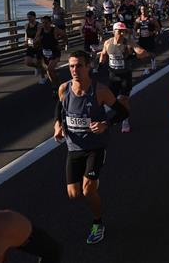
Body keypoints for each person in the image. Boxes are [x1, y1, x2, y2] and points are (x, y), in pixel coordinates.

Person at [54, 50, 130, 245]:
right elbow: (59, 109)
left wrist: (105, 124)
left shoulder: (100, 91)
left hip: (95, 146)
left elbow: (122, 112)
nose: (74, 70)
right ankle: (92, 181)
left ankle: (98, 223)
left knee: (88, 191)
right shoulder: (64, 88)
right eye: (71, 66)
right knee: (74, 194)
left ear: (88, 67)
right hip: (74, 147)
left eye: (79, 65)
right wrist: (57, 126)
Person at [99, 22, 147, 134]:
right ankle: (120, 114)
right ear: (113, 31)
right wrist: (101, 61)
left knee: (123, 99)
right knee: (109, 100)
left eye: (123, 31)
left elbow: (141, 51)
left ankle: (125, 120)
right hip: (113, 77)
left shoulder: (128, 43)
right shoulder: (108, 43)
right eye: (119, 30)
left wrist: (138, 53)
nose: (121, 33)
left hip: (125, 77)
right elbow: (103, 53)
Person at [34, 16, 68, 93]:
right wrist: (37, 40)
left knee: (49, 69)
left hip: (55, 52)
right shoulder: (40, 30)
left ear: (50, 23)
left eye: (46, 23)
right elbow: (35, 41)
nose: (44, 24)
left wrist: (64, 44)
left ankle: (54, 87)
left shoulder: (54, 30)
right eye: (43, 23)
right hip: (45, 53)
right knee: (50, 72)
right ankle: (59, 84)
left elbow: (64, 35)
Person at [135, 5, 160, 75]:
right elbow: (134, 29)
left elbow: (158, 27)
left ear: (147, 10)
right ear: (140, 11)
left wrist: (153, 32)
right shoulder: (138, 19)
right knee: (141, 54)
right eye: (142, 10)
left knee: (150, 53)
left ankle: (153, 60)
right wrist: (137, 32)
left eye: (144, 9)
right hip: (142, 38)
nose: (143, 11)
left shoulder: (151, 19)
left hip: (149, 38)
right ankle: (146, 68)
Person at [24, 11, 43, 81]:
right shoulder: (26, 25)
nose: (29, 19)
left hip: (39, 45)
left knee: (39, 62)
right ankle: (37, 67)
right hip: (30, 44)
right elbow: (26, 35)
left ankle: (42, 77)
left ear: (34, 17)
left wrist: (33, 42)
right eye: (28, 17)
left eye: (30, 17)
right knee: (27, 62)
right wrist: (25, 42)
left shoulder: (39, 25)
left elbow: (37, 35)